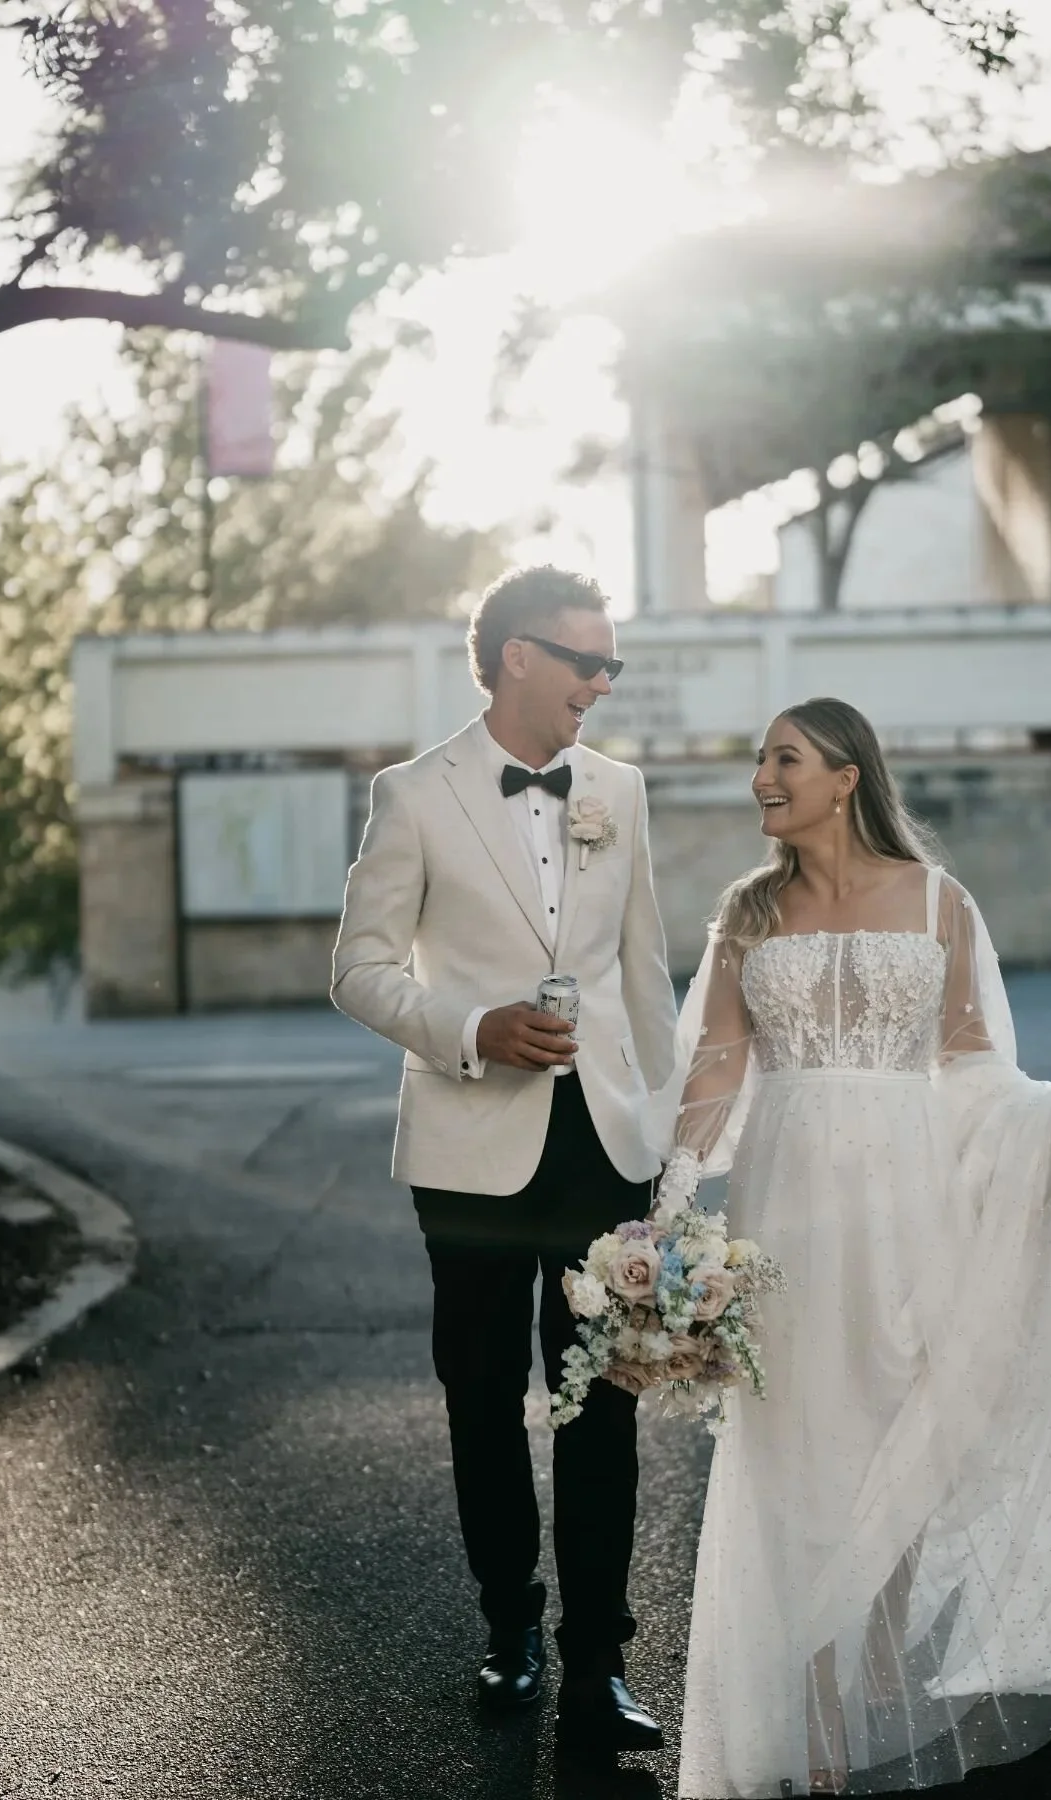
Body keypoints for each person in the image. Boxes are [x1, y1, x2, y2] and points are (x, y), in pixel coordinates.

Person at [650, 697, 1051, 1798]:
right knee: (796, 1452)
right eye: (763, 760)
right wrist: (665, 1224)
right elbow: (713, 1072)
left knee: (907, 1440)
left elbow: (971, 1064)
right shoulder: (748, 911)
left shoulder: (937, 900)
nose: (763, 777)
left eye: (786, 759)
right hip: (791, 1212)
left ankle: (866, 1687)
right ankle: (811, 1721)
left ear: (848, 775)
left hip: (911, 1204)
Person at [331, 566, 678, 1752]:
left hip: (602, 1147)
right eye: (588, 660)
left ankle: (599, 1665)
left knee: (600, 1410)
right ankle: (510, 1629)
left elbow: (646, 974)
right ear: (515, 657)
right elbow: (360, 970)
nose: (602, 682)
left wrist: (663, 1137)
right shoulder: (413, 795)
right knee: (481, 1400)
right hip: (468, 1150)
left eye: (610, 665)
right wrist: (469, 1030)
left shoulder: (621, 793)